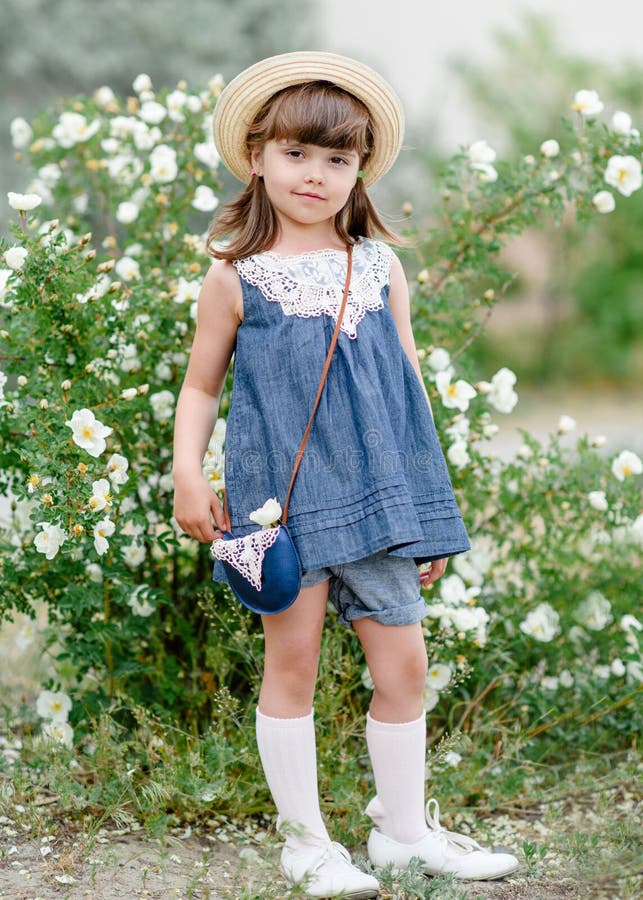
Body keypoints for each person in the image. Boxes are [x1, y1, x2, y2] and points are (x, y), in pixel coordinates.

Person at [172, 51, 519, 899]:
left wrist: (428, 512)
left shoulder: (379, 268)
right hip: (278, 508)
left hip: (378, 503)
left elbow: (407, 393)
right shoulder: (234, 277)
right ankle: (306, 845)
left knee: (403, 671)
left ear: (359, 170)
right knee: (288, 667)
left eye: (337, 159)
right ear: (256, 154)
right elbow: (200, 385)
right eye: (296, 154)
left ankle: (402, 835)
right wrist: (187, 472)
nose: (315, 175)